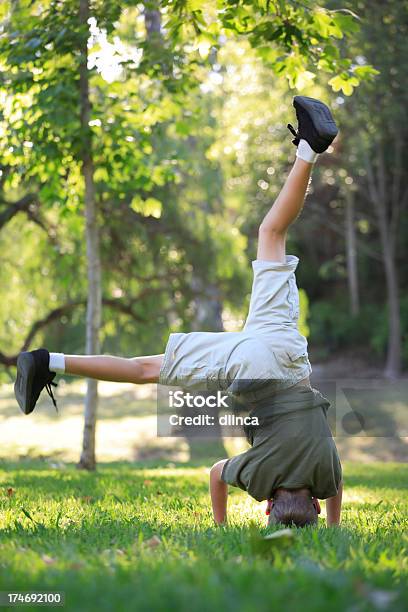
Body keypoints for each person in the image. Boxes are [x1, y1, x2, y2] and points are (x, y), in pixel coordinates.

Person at [14, 96, 342, 527]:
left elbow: (337, 488)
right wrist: (221, 527)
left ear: (315, 504)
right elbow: (216, 475)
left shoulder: (327, 474)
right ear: (267, 505)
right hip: (252, 368)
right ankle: (47, 361)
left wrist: (335, 524)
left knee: (272, 233)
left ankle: (308, 150)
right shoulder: (262, 478)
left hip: (287, 352)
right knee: (145, 370)